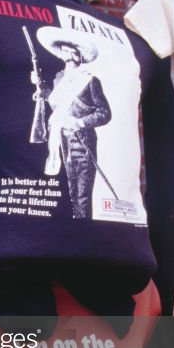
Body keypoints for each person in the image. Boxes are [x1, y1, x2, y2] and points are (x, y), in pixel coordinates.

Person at [35, 29, 112, 218]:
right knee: (64, 198)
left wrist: (79, 122)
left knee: (81, 198)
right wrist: (40, 90)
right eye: (66, 50)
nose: (70, 54)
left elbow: (104, 113)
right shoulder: (57, 80)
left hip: (81, 143)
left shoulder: (90, 80)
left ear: (79, 55)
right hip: (57, 143)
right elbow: (56, 104)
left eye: (74, 51)